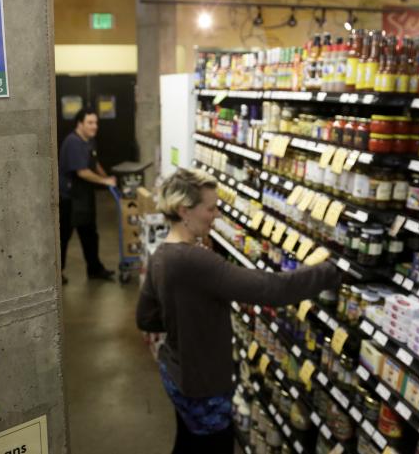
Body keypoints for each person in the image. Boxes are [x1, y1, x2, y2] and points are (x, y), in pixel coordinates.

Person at [136, 168, 342, 453]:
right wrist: (331, 271)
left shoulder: (162, 254)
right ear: (185, 211)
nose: (217, 215)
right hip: (202, 385)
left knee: (187, 441)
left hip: (174, 371)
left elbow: (145, 317)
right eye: (211, 208)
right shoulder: (195, 261)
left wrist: (187, 319)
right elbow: (272, 289)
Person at [58, 108, 117, 284]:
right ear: (80, 124)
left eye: (96, 122)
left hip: (84, 196)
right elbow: (82, 172)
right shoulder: (73, 142)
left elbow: (93, 162)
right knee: (64, 236)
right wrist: (104, 182)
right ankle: (57, 273)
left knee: (90, 234)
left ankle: (95, 269)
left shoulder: (89, 141)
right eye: (90, 123)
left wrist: (105, 176)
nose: (94, 126)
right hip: (69, 198)